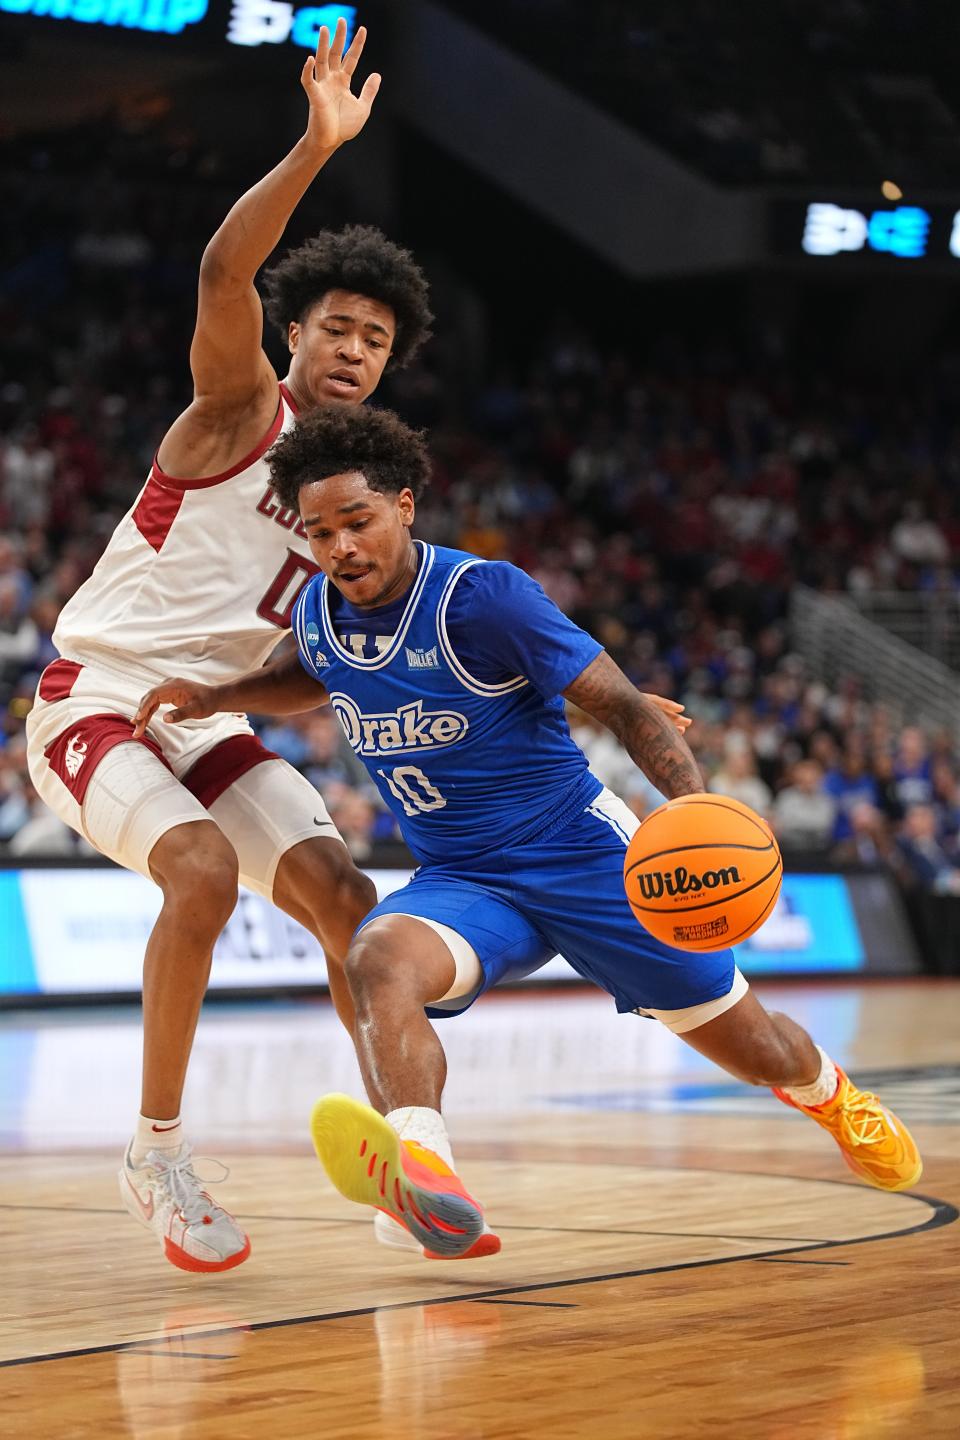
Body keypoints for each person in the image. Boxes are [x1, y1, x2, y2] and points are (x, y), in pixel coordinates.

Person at [133, 406, 923, 1264]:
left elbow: (622, 704)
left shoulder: (485, 598)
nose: (340, 548)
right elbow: (306, 671)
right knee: (375, 957)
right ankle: (424, 1173)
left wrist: (693, 809)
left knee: (762, 1050)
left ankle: (831, 1094)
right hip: (466, 880)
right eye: (320, 533)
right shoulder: (323, 610)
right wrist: (217, 697)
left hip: (587, 859)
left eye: (356, 522)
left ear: (403, 504)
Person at [23, 21, 436, 1274]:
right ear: (295, 336)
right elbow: (218, 270)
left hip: (207, 715)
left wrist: (264, 692)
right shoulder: (241, 409)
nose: (354, 348)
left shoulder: (354, 502)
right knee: (200, 872)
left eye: (376, 337)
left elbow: (323, 667)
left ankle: (406, 1158)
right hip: (92, 699)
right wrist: (317, 145)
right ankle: (156, 1148)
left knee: (346, 903)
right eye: (335, 326)